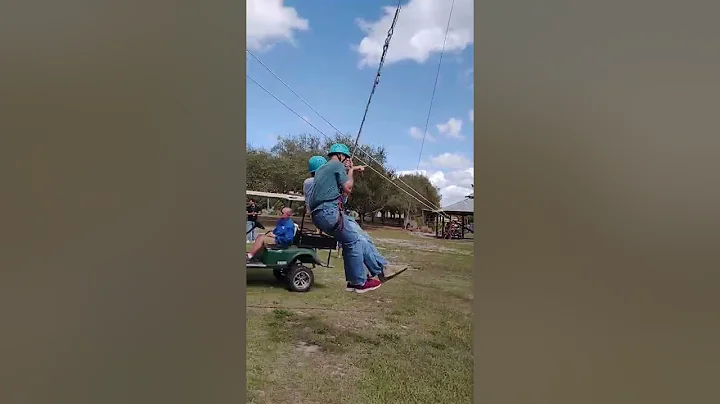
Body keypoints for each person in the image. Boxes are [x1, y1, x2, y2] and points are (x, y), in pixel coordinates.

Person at [306, 143, 389, 293]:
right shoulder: (336, 165)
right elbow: (348, 188)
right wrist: (350, 171)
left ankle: (368, 274)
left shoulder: (322, 171)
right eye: (346, 158)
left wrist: (347, 170)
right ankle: (359, 282)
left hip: (322, 215)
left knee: (356, 238)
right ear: (341, 155)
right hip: (329, 213)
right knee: (354, 240)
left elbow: (339, 193)